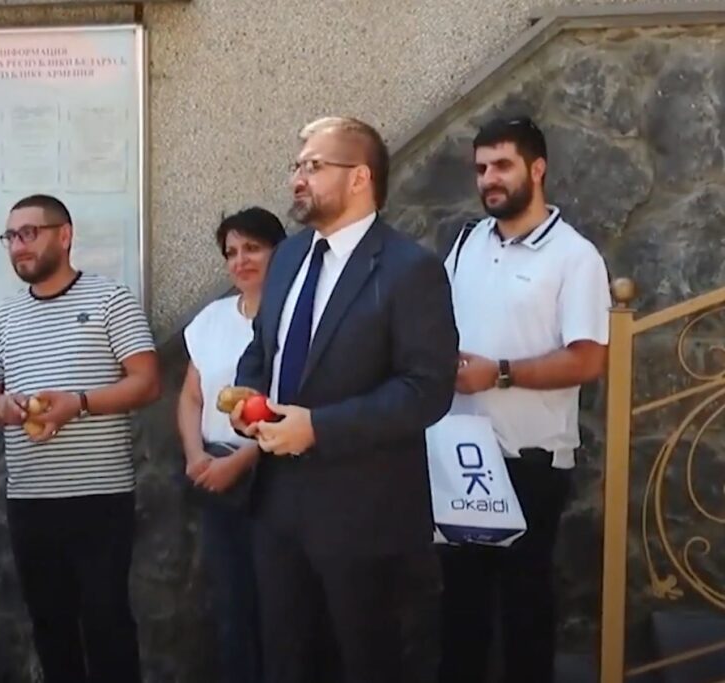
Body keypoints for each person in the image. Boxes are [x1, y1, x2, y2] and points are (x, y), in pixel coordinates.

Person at [229, 116, 460, 683]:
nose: (297, 179)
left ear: (359, 177)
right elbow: (264, 348)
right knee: (285, 660)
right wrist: (247, 397)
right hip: (277, 505)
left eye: (313, 166)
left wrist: (320, 428)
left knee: (363, 662)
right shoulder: (287, 258)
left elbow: (426, 390)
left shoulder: (411, 270)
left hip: (364, 515)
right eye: (297, 166)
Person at [438, 117, 610, 683]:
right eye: (482, 167)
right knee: (459, 611)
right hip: (460, 459)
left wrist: (500, 374)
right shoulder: (465, 243)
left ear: (537, 168)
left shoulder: (574, 256)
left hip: (529, 464)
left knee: (524, 612)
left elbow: (588, 359)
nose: (489, 178)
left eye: (502, 165)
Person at [0, 194, 160, 683]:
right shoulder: (6, 315)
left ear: (64, 235)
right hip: (31, 499)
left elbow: (147, 381)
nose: (18, 247)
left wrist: (77, 403)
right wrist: (5, 407)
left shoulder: (110, 299)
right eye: (11, 237)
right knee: (50, 625)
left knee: (107, 623)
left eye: (29, 233)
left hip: (100, 496)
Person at [177, 206, 286, 683]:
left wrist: (242, 460)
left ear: (279, 252)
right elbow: (190, 395)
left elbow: (300, 405)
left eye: (253, 248)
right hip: (216, 476)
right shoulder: (211, 320)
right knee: (232, 602)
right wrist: (196, 454)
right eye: (232, 252)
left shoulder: (297, 320)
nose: (241, 260)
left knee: (281, 607)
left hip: (276, 475)